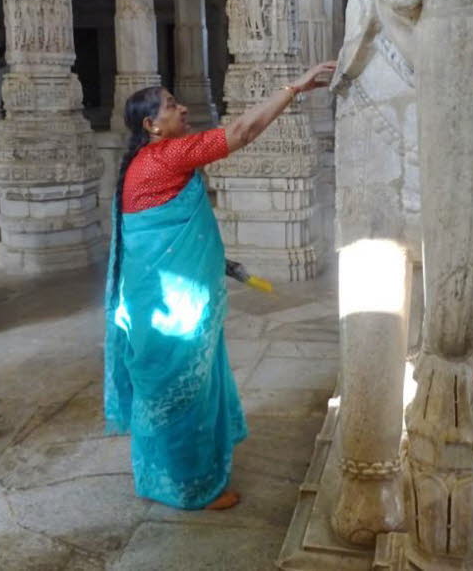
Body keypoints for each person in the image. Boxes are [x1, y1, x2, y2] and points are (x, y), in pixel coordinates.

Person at [104, 61, 336, 511]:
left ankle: (168, 475)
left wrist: (216, 259)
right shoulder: (166, 156)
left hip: (159, 295)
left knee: (179, 386)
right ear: (152, 125)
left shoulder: (144, 161)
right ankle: (192, 487)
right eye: (172, 106)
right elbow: (245, 131)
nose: (184, 109)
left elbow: (160, 237)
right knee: (182, 389)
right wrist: (295, 87)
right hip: (169, 305)